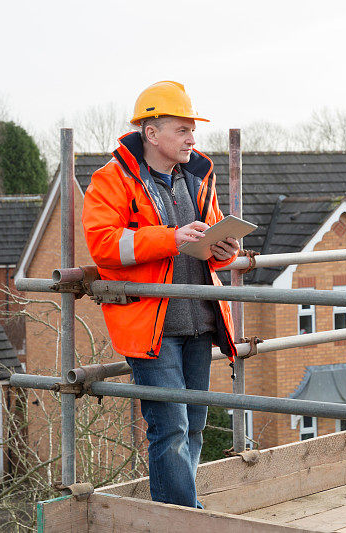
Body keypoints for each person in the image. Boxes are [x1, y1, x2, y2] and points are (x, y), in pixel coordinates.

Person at [82, 81, 239, 507]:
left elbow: (206, 249)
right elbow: (103, 246)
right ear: (151, 133)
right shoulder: (111, 180)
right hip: (153, 328)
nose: (192, 139)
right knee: (169, 427)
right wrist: (170, 238)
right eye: (182, 129)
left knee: (193, 426)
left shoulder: (198, 176)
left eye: (193, 130)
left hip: (200, 321)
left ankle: (176, 513)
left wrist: (224, 250)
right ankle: (184, 517)